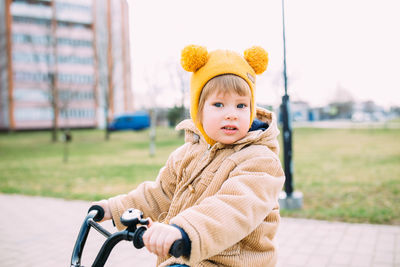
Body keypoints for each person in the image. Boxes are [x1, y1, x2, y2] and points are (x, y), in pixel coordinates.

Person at [92, 45, 285, 267]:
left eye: (241, 105)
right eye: (219, 104)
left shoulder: (261, 161)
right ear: (199, 110)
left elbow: (235, 207)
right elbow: (160, 194)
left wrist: (182, 231)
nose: (231, 114)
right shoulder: (186, 154)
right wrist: (114, 208)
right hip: (188, 260)